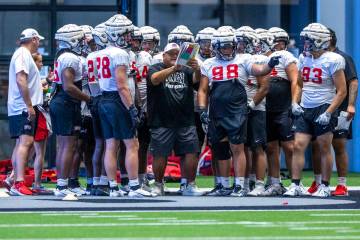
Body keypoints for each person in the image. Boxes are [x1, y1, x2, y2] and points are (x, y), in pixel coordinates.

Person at [198, 29, 280, 197]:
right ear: (215, 47)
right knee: (220, 149)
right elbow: (203, 90)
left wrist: (270, 65)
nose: (228, 50)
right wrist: (202, 110)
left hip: (236, 110)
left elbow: (259, 70)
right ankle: (224, 186)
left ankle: (239, 185)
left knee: (237, 148)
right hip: (216, 111)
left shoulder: (244, 59)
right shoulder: (208, 63)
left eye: (230, 46)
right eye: (224, 47)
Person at [284, 23, 347, 198]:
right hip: (306, 107)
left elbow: (342, 90)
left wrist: (329, 112)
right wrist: (295, 102)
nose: (305, 43)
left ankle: (325, 186)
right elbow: (300, 83)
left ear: (320, 41)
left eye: (309, 40)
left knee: (324, 147)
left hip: (324, 106)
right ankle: (296, 184)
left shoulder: (333, 60)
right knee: (298, 145)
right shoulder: (305, 58)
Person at [97, 14, 153, 197]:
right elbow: (122, 85)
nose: (130, 38)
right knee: (132, 144)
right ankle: (134, 186)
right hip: (117, 100)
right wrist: (131, 108)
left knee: (111, 145)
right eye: (127, 34)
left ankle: (113, 187)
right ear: (117, 34)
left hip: (104, 99)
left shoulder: (102, 52)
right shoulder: (120, 54)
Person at [147, 42, 203, 196]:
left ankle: (189, 185)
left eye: (177, 53)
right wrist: (173, 68)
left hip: (185, 119)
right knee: (160, 153)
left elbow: (196, 81)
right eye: (170, 53)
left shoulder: (186, 69)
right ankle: (158, 185)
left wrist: (197, 69)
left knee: (190, 152)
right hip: (161, 120)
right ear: (163, 55)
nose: (174, 56)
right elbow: (154, 80)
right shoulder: (156, 67)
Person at [310, 28, 358, 196]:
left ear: (327, 39)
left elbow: (353, 82)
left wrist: (351, 105)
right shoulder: (314, 57)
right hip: (319, 107)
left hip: (340, 107)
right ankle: (317, 181)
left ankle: (342, 184)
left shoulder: (342, 57)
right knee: (316, 144)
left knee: (338, 144)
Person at [50, 24, 91, 197]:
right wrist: (89, 99)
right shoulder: (70, 58)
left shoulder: (63, 56)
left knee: (63, 146)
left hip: (61, 101)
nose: (83, 42)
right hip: (66, 102)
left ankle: (61, 184)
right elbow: (68, 86)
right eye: (80, 39)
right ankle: (62, 186)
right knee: (68, 146)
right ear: (72, 39)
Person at [262, 27, 299, 196]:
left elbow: (295, 81)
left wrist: (294, 102)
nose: (280, 44)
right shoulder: (262, 58)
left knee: (289, 146)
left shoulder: (287, 56)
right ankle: (275, 182)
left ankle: (294, 182)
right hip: (267, 106)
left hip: (283, 106)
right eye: (277, 41)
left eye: (283, 41)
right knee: (270, 147)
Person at [8, 28, 45, 195]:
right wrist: (29, 106)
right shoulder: (23, 54)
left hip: (20, 106)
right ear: (34, 39)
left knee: (20, 144)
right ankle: (19, 183)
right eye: (39, 41)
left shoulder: (21, 54)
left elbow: (26, 81)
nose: (39, 44)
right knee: (26, 143)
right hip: (23, 107)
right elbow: (21, 79)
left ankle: (14, 181)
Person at [238, 27, 270, 196]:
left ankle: (259, 183)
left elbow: (264, 87)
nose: (239, 46)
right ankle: (244, 183)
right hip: (237, 109)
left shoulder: (258, 59)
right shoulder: (234, 59)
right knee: (241, 147)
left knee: (257, 147)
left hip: (256, 108)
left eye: (242, 43)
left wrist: (251, 104)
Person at [86, 22, 110, 196]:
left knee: (99, 144)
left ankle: (95, 181)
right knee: (108, 143)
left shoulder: (90, 56)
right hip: (106, 99)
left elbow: (92, 82)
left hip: (94, 99)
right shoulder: (107, 54)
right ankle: (103, 181)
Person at [31, 52, 53, 195]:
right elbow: (37, 87)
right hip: (37, 114)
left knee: (28, 150)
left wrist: (47, 81)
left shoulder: (33, 77)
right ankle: (37, 184)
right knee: (38, 152)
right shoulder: (32, 76)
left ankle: (13, 179)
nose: (41, 64)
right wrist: (48, 81)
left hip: (34, 113)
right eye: (39, 62)